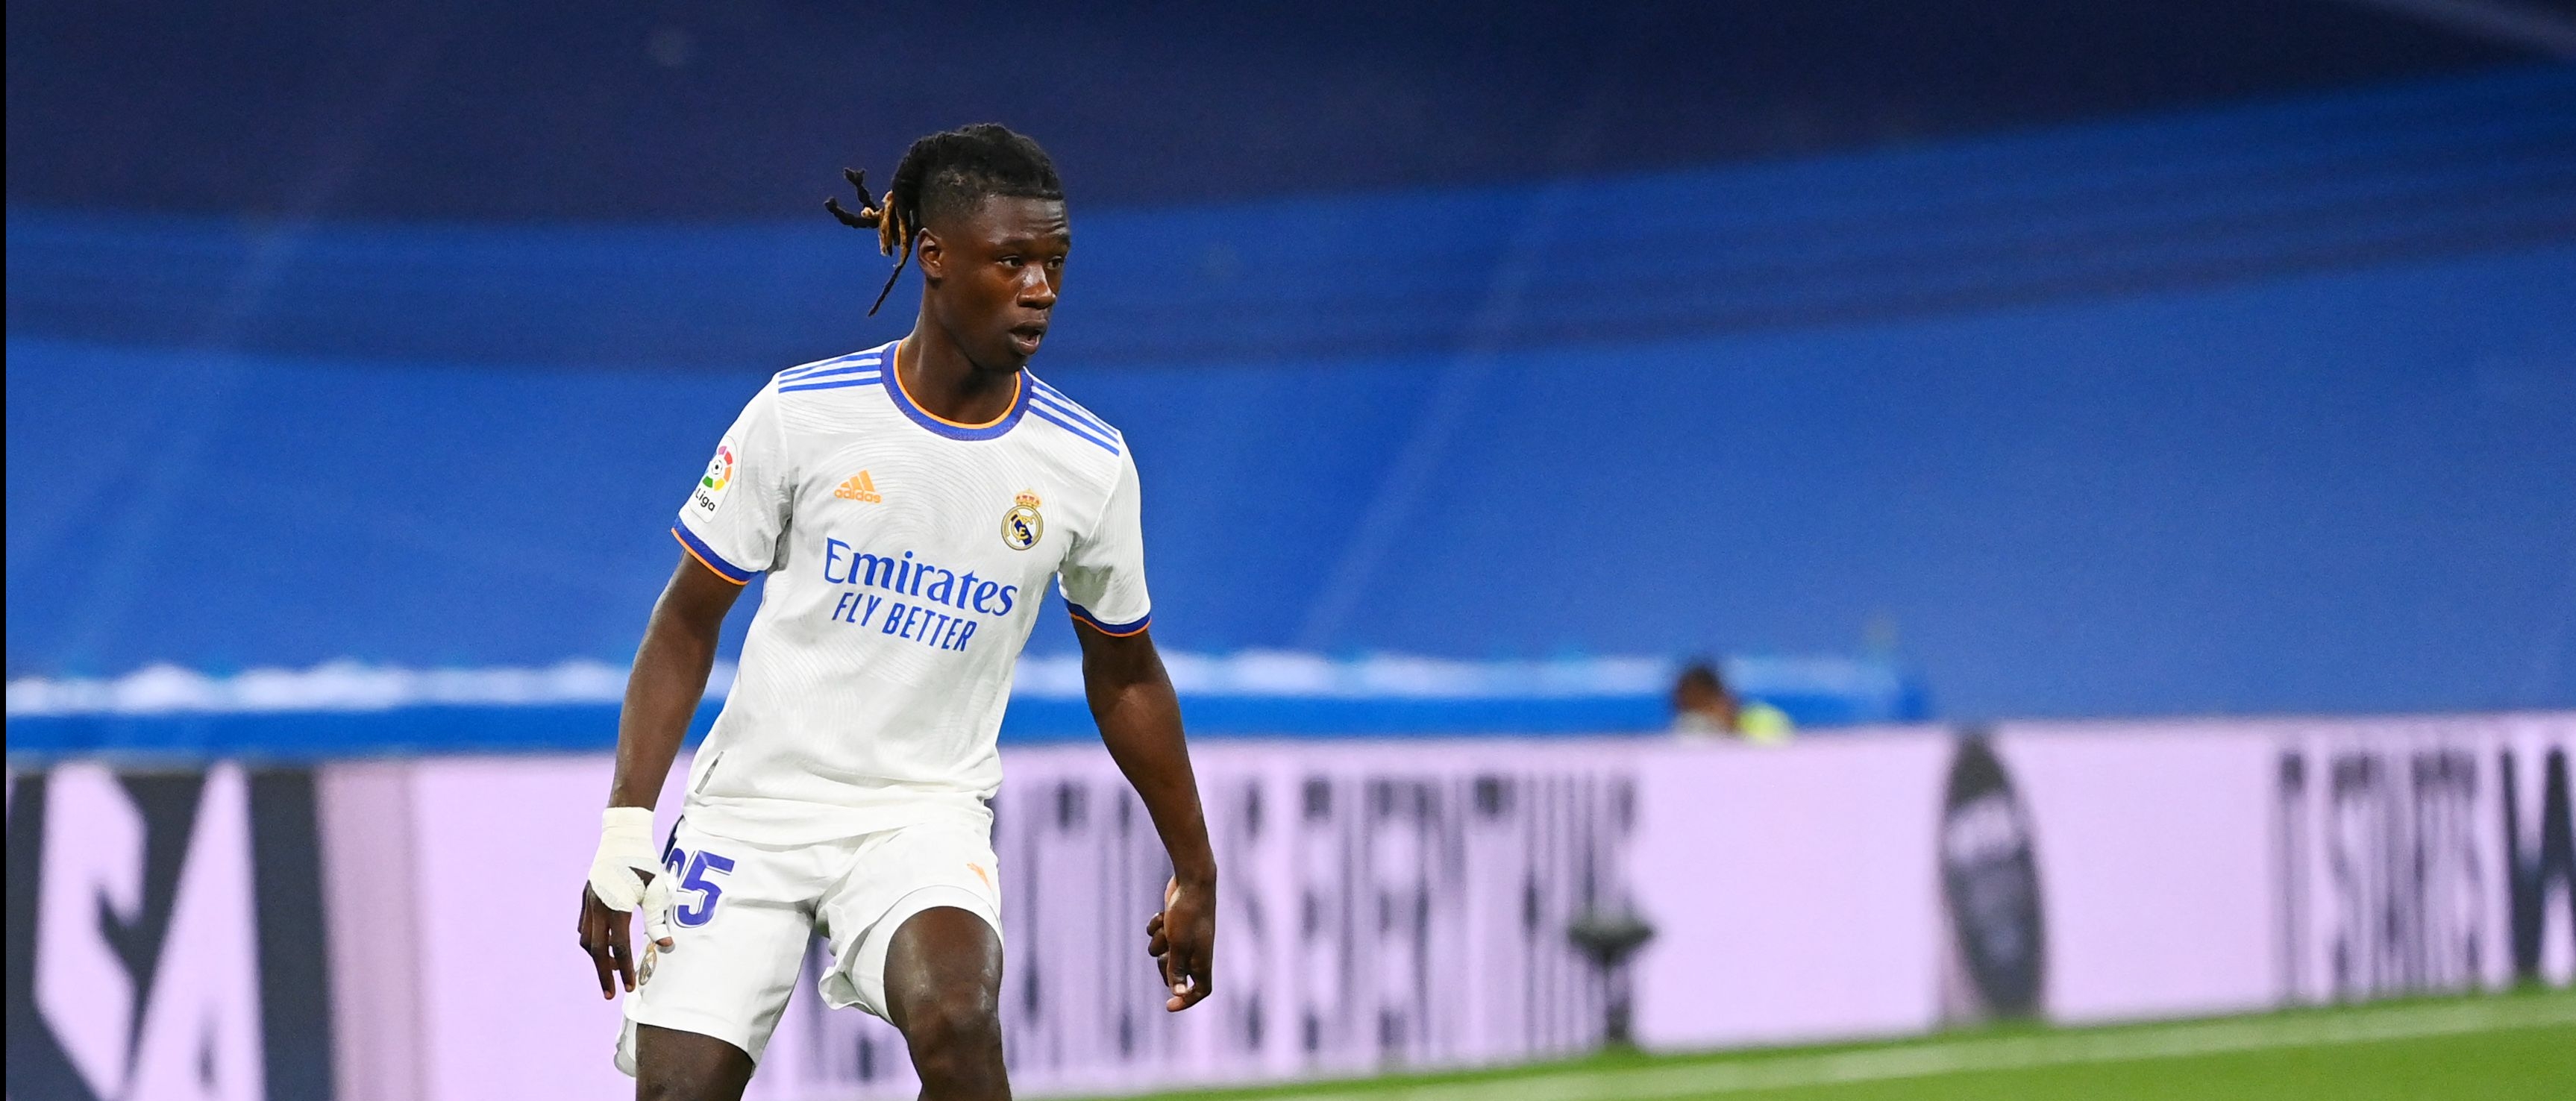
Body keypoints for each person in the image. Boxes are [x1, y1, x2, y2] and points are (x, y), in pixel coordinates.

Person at [575, 124, 1215, 1101]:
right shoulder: (803, 414)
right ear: (936, 258)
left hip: (921, 817)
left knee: (959, 1025)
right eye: (1012, 261)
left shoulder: (1088, 464)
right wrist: (627, 828)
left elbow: (1124, 670)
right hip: (753, 812)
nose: (1040, 287)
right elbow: (685, 622)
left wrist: (1195, 869)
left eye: (1055, 262)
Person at [1670, 660, 1793, 744]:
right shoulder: (1690, 731)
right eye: (1691, 710)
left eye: (1704, 704)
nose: (1700, 717)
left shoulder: (1765, 720)